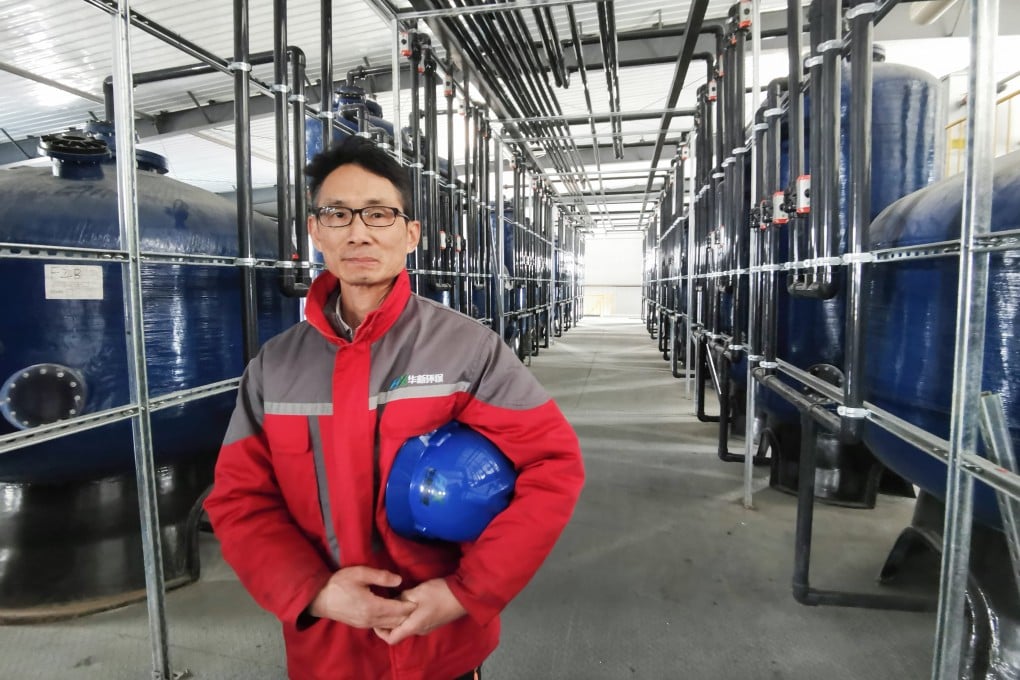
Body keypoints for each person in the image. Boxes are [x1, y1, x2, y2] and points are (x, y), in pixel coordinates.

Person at [204, 135, 585, 680]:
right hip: (328, 652)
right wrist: (314, 592)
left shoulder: (467, 349)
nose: (358, 231)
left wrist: (466, 593)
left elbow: (554, 466)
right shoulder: (275, 367)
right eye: (337, 214)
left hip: (438, 645)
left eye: (378, 214)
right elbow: (240, 500)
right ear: (315, 232)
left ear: (410, 235)